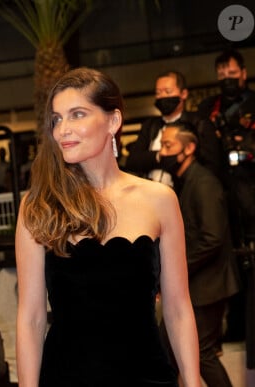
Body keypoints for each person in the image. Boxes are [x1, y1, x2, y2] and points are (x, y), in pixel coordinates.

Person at [15, 67, 201, 386]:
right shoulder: (39, 204)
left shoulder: (159, 199)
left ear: (113, 121)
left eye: (77, 114)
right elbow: (30, 318)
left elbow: (178, 308)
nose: (63, 130)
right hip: (67, 377)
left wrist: (193, 379)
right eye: (57, 119)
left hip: (148, 375)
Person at [158, 122, 239, 387]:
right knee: (168, 351)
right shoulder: (185, 181)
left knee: (201, 352)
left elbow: (212, 238)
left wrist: (173, 271)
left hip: (208, 286)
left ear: (189, 148)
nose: (162, 152)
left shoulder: (203, 182)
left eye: (169, 145)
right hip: (197, 284)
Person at [197, 48, 255, 348]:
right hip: (221, 191)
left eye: (232, 74)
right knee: (231, 259)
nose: (227, 79)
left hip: (252, 188)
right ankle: (235, 324)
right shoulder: (210, 107)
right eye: (221, 75)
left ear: (244, 74)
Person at [125, 70, 223, 185]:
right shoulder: (150, 126)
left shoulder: (198, 123)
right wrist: (159, 157)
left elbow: (213, 164)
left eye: (168, 91)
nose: (162, 96)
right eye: (158, 93)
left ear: (184, 94)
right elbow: (133, 161)